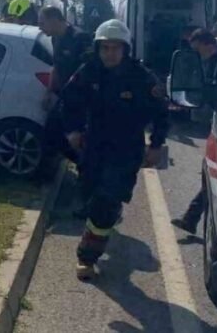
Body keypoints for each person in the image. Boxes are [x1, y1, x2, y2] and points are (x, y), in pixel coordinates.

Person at [63, 19, 169, 280]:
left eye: (115, 48)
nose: (110, 54)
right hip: (93, 146)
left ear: (125, 49)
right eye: (105, 48)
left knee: (104, 203)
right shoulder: (88, 71)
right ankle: (105, 219)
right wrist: (73, 130)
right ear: (98, 49)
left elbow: (161, 113)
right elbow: (69, 101)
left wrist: (156, 145)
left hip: (126, 150)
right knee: (90, 197)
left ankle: (86, 257)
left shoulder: (141, 77)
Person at [172, 28, 217, 234]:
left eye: (198, 50)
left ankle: (191, 219)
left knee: (212, 174)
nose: (197, 54)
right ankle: (191, 219)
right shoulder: (211, 63)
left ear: (206, 45)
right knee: (212, 174)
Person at [38, 6, 94, 164]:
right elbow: (55, 66)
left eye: (42, 22)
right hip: (65, 97)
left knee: (80, 139)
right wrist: (48, 92)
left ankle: (87, 170)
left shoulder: (80, 38)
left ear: (54, 20)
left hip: (82, 101)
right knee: (51, 134)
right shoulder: (55, 39)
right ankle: (82, 164)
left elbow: (91, 71)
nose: (40, 27)